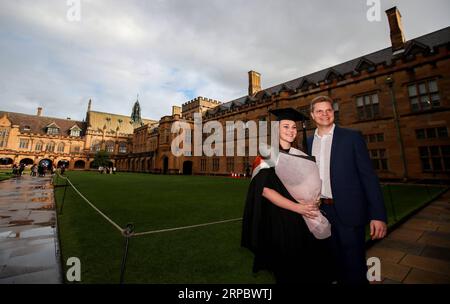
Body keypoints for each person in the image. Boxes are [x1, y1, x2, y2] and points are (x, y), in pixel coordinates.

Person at [241, 108, 332, 284]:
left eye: (293, 127)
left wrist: (314, 199)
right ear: (276, 130)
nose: (291, 130)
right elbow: (264, 190)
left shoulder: (302, 156)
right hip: (279, 219)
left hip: (303, 218)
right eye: (285, 126)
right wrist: (298, 207)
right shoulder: (267, 155)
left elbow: (309, 185)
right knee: (286, 269)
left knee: (306, 267)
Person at [307, 95, 388, 284]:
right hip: (322, 212)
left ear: (333, 112)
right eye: (319, 111)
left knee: (354, 266)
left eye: (328, 110)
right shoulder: (309, 142)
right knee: (333, 264)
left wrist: (378, 215)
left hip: (350, 211)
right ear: (312, 115)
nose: (324, 114)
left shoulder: (352, 137)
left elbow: (368, 177)